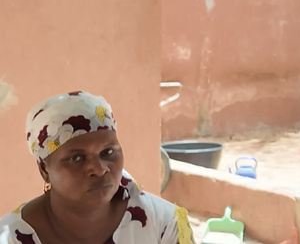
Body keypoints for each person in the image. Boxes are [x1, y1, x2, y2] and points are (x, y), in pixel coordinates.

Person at [0, 91, 195, 244]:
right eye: (77, 158)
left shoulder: (162, 225)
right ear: (44, 170)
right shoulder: (11, 237)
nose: (99, 169)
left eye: (108, 152)